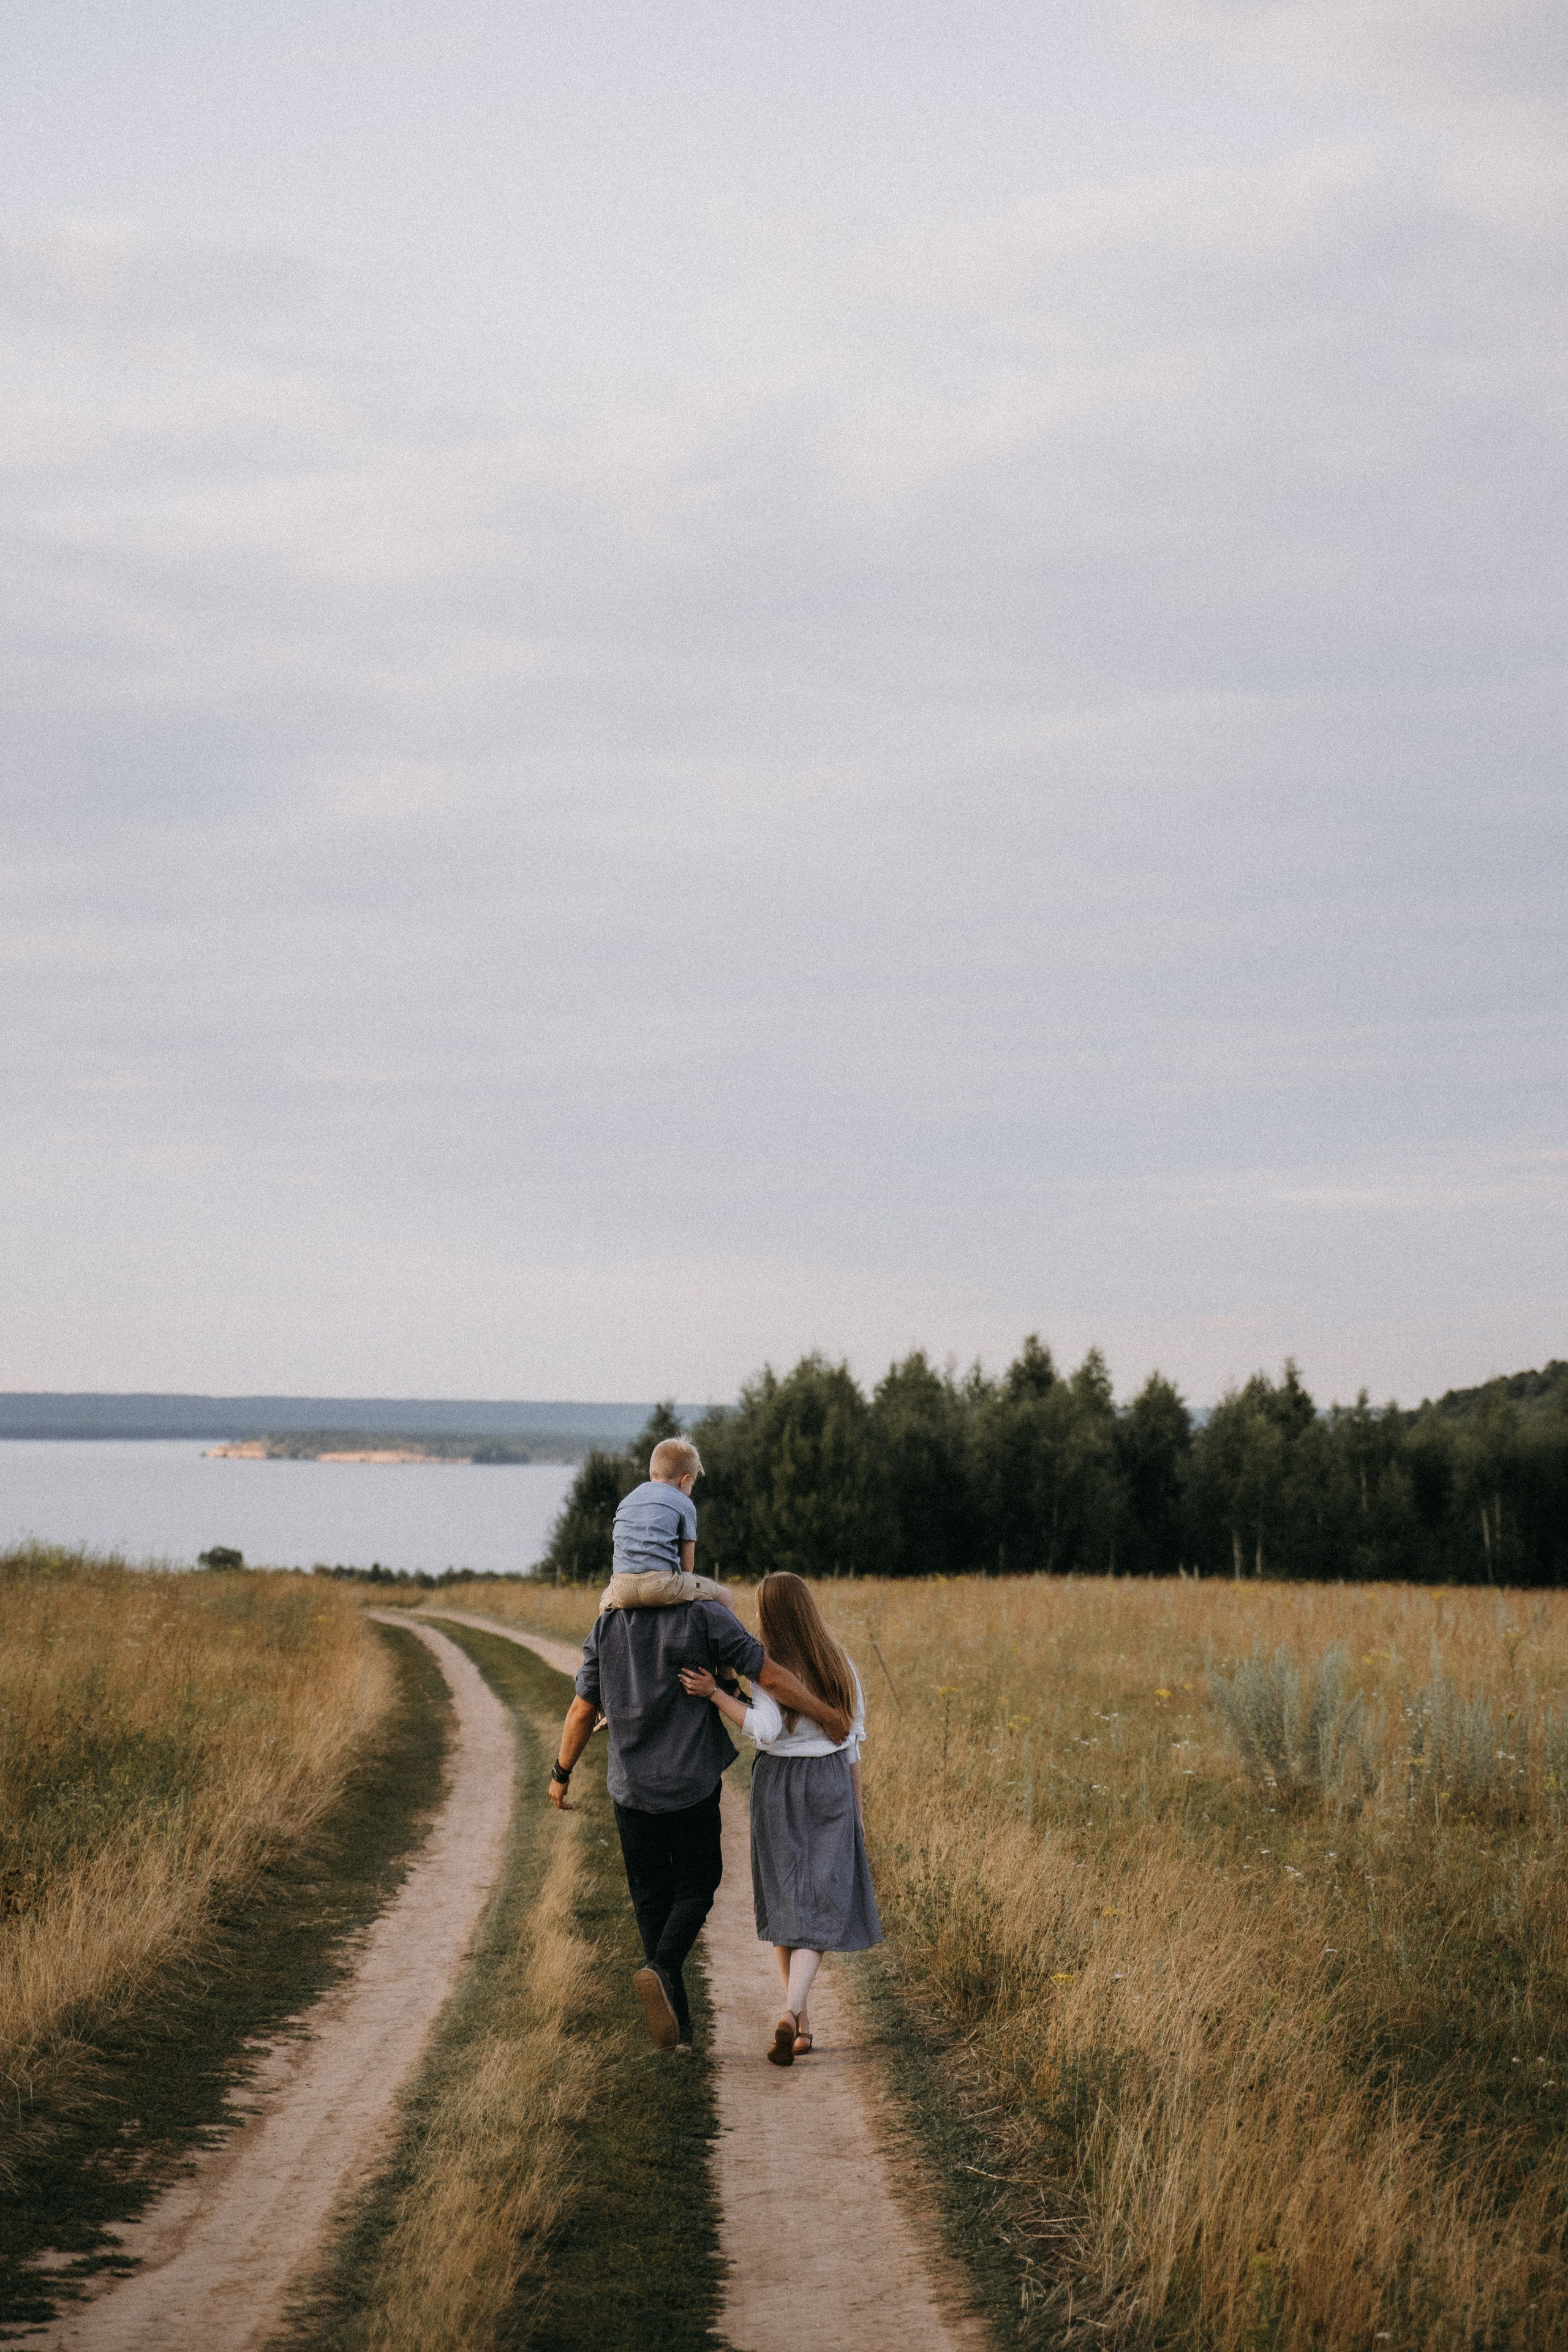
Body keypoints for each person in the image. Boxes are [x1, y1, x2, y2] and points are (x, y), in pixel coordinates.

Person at [548, 1439, 850, 2054]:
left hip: (630, 1788)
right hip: (687, 1785)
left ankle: (678, 2031)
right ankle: (662, 1976)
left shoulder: (606, 1623)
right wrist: (824, 1710)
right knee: (698, 1883)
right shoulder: (705, 1617)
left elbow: (583, 1707)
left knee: (651, 1900)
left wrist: (560, 1772)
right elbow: (768, 1675)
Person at [680, 1570, 881, 2067]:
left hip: (780, 1788)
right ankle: (799, 2019)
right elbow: (851, 1741)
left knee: (787, 1901)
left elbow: (765, 1731)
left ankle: (793, 2011)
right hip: (832, 1781)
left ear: (770, 1616)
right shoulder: (841, 1664)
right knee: (821, 1901)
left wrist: (716, 1694)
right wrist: (857, 1812)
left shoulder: (769, 1669)